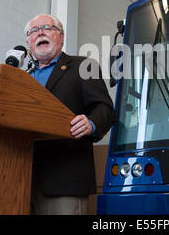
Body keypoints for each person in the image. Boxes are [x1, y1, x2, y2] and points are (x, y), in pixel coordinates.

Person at [25, 14, 116, 215]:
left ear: (61, 36)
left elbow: (105, 109)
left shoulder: (84, 66)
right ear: (28, 42)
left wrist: (91, 123)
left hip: (64, 180)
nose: (40, 33)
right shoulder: (21, 79)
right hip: (22, 180)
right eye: (34, 31)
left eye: (47, 28)